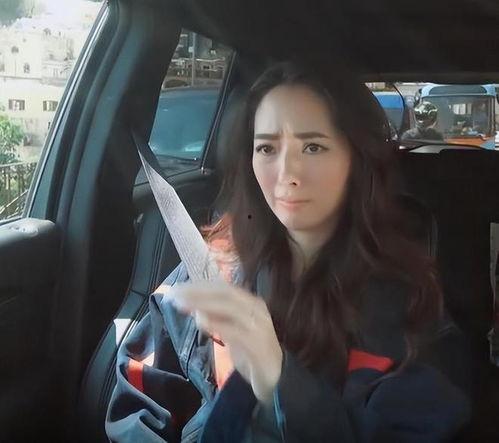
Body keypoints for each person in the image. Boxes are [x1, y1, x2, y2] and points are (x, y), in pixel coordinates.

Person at [105, 62, 471, 442]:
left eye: (313, 147)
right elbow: (139, 406)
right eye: (266, 148)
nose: (286, 173)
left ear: (357, 159)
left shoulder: (410, 310)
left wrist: (279, 384)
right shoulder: (211, 271)